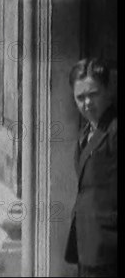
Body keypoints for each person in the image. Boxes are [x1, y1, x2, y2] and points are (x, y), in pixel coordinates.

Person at [64, 58, 117, 277]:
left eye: (93, 94)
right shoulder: (87, 131)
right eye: (80, 97)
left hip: (109, 247)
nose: (87, 103)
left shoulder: (114, 130)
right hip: (88, 242)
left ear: (107, 91)